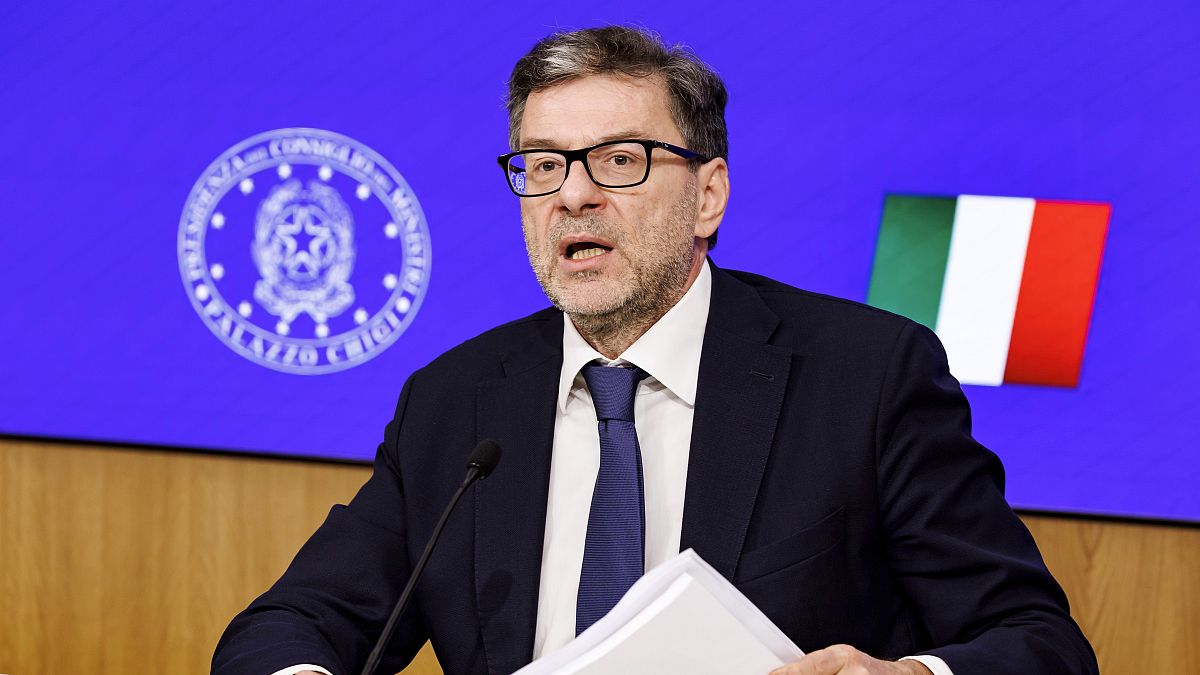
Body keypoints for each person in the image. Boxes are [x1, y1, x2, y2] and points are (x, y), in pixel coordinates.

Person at [213, 26, 1098, 675]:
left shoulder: (866, 378)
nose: (574, 196)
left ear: (708, 195)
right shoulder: (456, 400)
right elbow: (287, 624)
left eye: (620, 161)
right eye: (544, 164)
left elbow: (1040, 643)